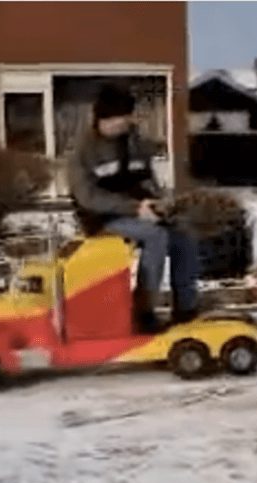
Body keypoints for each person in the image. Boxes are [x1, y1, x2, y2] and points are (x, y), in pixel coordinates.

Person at [68, 83, 200, 333]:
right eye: (116, 122)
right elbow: (88, 198)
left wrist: (159, 201)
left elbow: (145, 177)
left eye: (126, 121)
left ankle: (186, 309)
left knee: (184, 234)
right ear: (101, 118)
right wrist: (135, 207)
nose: (122, 127)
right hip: (101, 218)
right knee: (156, 235)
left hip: (138, 209)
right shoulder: (83, 152)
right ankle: (143, 312)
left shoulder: (134, 141)